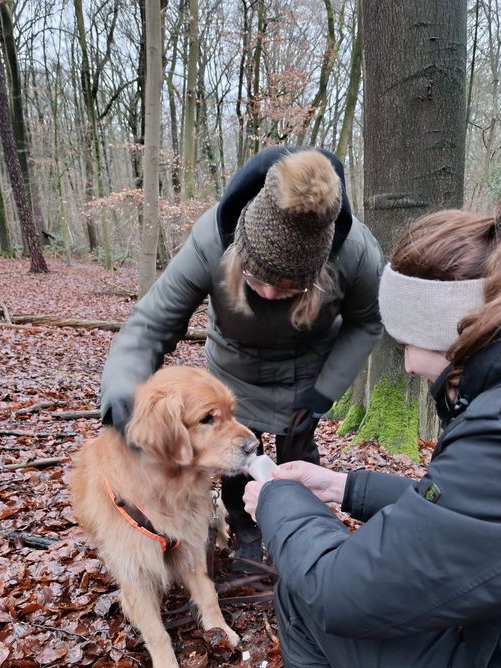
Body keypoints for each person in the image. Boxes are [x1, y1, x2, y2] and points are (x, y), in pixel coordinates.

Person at [244, 187, 501, 668]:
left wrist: (277, 502)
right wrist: (349, 487)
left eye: (408, 341)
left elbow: (341, 593)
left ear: (456, 328)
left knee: (305, 594)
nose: (406, 365)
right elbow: (493, 524)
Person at [100, 146, 383, 572]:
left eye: (290, 286)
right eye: (258, 277)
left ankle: (303, 539)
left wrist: (322, 394)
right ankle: (244, 530)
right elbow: (151, 324)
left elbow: (368, 322)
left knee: (298, 458)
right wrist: (123, 395)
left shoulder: (356, 253)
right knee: (234, 459)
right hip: (233, 372)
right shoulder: (213, 237)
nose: (269, 294)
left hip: (307, 373)